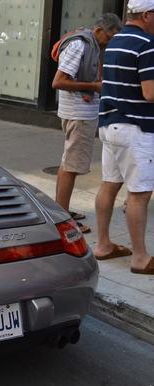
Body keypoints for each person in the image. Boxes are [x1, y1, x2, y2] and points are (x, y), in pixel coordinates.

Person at [94, 0, 154, 275]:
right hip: (136, 128)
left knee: (109, 185)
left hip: (110, 125)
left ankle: (103, 245)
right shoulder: (147, 44)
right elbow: (150, 93)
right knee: (139, 195)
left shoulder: (115, 41)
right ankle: (140, 257)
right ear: (146, 15)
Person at [52, 13, 123, 234]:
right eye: (109, 37)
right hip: (78, 113)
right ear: (100, 30)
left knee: (68, 164)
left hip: (80, 112)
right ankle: (63, 219)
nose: (109, 42)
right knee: (71, 167)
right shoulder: (80, 45)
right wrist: (96, 87)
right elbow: (59, 82)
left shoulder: (90, 44)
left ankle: (62, 210)